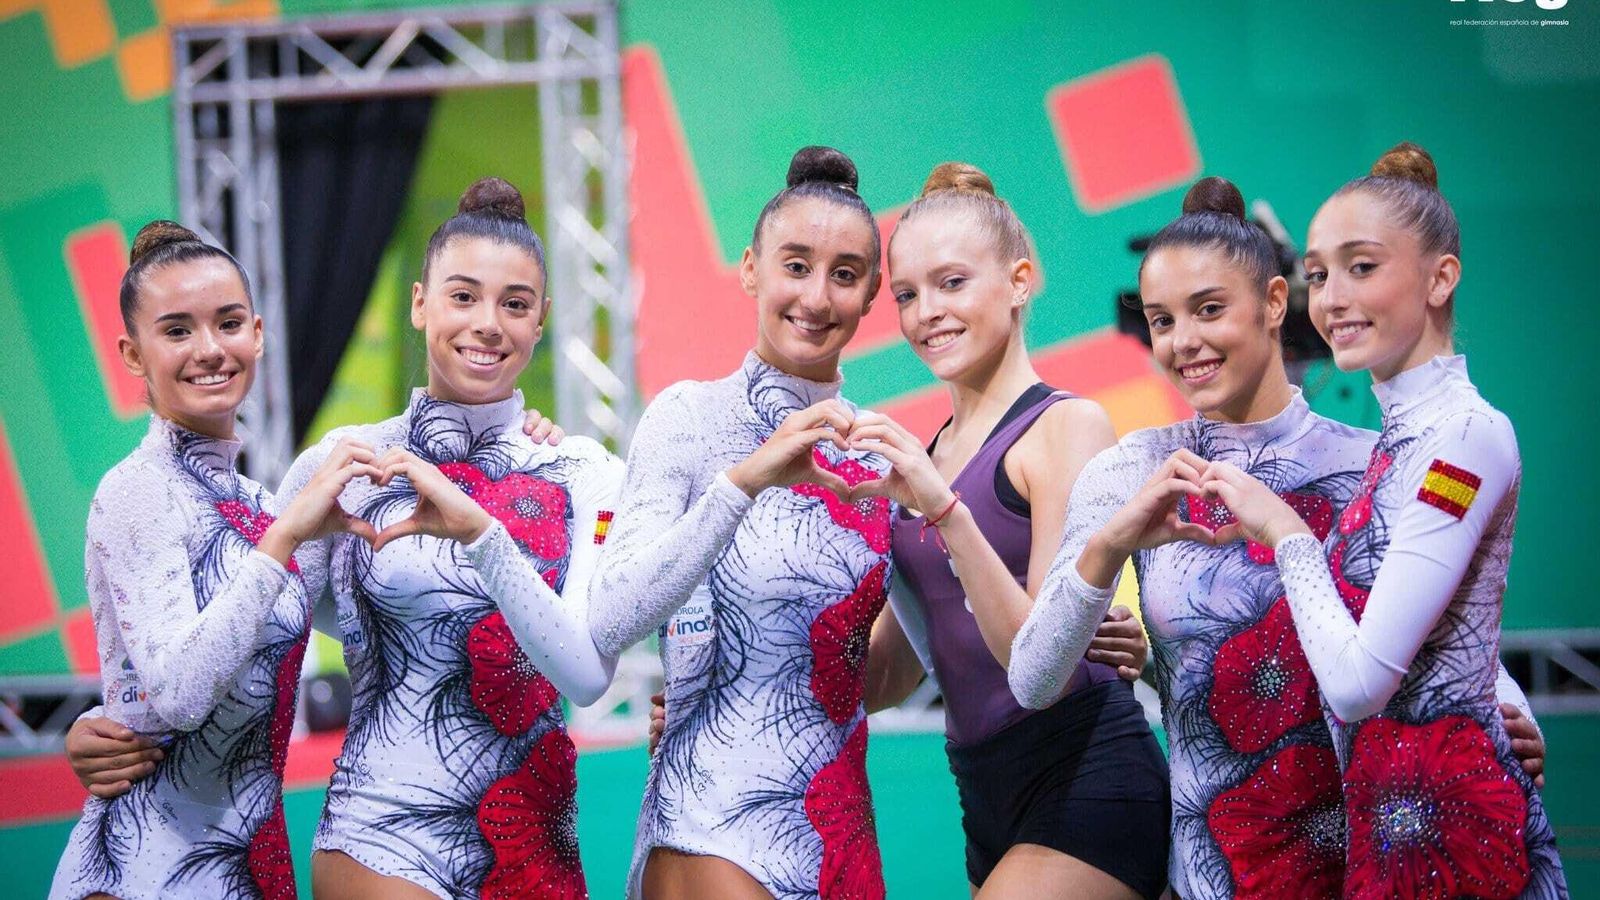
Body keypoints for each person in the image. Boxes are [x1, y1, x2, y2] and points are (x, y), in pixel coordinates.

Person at [1007, 175, 1547, 899]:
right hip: (1216, 865)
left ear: (1272, 304)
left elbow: (1432, 623)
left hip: (1370, 857)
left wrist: (1512, 706)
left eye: (1208, 310)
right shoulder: (1131, 468)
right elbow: (1033, 680)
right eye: (1163, 321)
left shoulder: (1369, 459)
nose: (1184, 342)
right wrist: (1109, 546)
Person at [1199, 144, 1566, 898]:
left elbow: (1360, 683)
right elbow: (1432, 615)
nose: (1331, 298)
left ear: (1441, 278)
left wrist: (1288, 536)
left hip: (1455, 838)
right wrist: (1503, 695)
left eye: (1362, 267)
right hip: (1387, 827)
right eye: (1320, 273)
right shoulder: (1398, 440)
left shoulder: (1463, 435)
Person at [845, 162, 1170, 899]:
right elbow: (892, 674)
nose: (927, 311)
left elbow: (1038, 663)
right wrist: (729, 685)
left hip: (1086, 776)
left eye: (952, 283)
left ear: (1020, 281)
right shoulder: (923, 463)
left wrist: (942, 508)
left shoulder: (1067, 426)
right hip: (983, 796)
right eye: (907, 294)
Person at [588, 146, 894, 900]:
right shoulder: (688, 419)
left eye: (844, 274)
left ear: (873, 293)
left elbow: (880, 665)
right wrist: (744, 481)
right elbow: (610, 618)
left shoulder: (881, 453)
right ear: (751, 267)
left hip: (840, 837)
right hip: (709, 828)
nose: (817, 298)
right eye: (796, 265)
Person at [50, 221, 378, 900]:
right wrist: (286, 536)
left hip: (246, 868)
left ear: (257, 334)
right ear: (133, 354)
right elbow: (179, 694)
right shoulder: (136, 491)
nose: (209, 350)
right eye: (176, 330)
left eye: (228, 323)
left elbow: (379, 636)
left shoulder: (258, 507)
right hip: (144, 871)